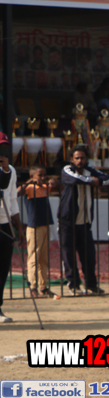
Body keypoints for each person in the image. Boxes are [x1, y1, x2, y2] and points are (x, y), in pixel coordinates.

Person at [60, 146, 109, 296]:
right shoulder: (67, 169)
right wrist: (91, 181)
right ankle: (73, 284)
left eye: (82, 158)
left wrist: (98, 181)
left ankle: (91, 285)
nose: (79, 161)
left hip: (85, 221)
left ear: (86, 159)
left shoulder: (90, 170)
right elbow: (73, 179)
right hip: (68, 221)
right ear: (72, 159)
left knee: (89, 256)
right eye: (77, 158)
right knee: (69, 255)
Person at [17, 166, 55, 298]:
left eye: (44, 175)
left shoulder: (44, 187)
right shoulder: (29, 188)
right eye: (40, 175)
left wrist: (52, 181)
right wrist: (28, 182)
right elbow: (17, 192)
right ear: (32, 176)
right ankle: (33, 286)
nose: (43, 178)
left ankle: (43, 286)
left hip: (45, 224)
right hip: (34, 227)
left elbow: (56, 185)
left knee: (44, 257)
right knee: (34, 257)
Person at [0, 138, 22, 323]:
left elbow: (12, 199)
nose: (2, 152)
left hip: (5, 222)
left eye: (4, 148)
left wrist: (19, 227)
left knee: (2, 267)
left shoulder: (10, 170)